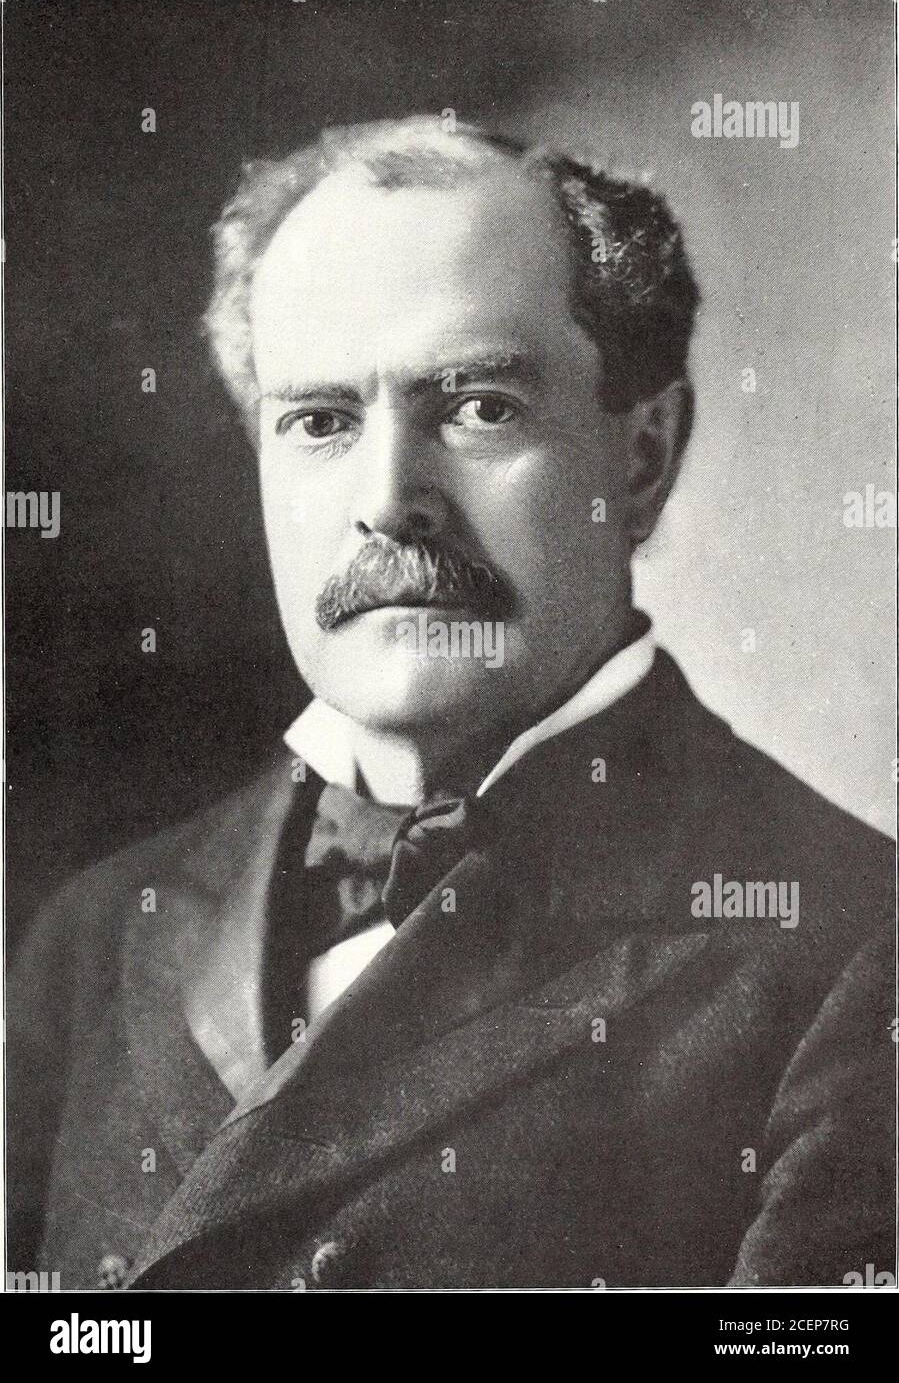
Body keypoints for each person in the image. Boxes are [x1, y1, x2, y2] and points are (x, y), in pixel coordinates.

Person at [8, 116, 894, 1290]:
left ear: (640, 458)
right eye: (319, 421)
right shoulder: (94, 937)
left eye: (478, 406)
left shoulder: (853, 953)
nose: (388, 500)